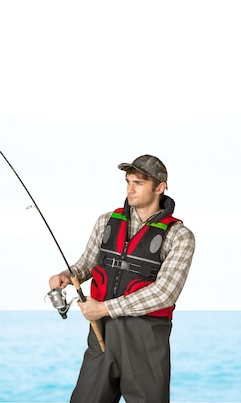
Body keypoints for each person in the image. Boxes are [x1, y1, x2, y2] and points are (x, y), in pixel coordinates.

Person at [48, 154, 195, 403]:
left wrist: (104, 308)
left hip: (145, 340)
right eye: (128, 181)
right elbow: (88, 264)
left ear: (160, 187)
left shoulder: (180, 236)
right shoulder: (106, 221)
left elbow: (164, 293)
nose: (130, 189)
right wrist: (68, 275)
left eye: (138, 182)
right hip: (101, 334)